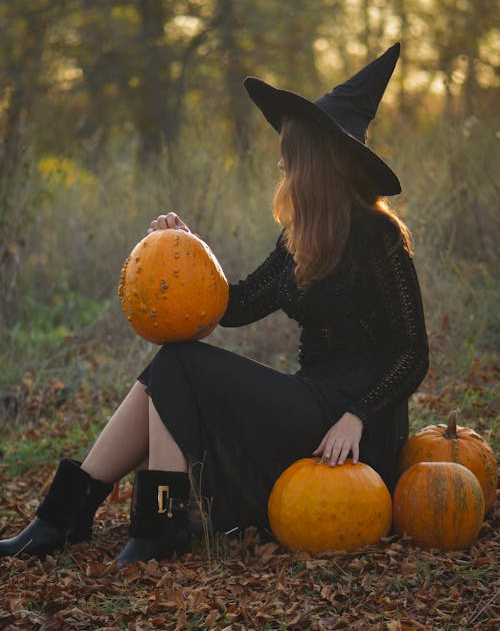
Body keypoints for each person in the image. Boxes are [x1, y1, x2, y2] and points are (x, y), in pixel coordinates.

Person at [0, 43, 429, 566]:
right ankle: (66, 518)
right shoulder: (304, 238)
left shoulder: (379, 237)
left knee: (180, 364)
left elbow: (413, 352)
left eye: (288, 152)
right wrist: (185, 250)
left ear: (314, 161)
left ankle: (150, 523)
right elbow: (233, 305)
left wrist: (356, 416)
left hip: (355, 432)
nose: (279, 161)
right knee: (175, 364)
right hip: (310, 399)